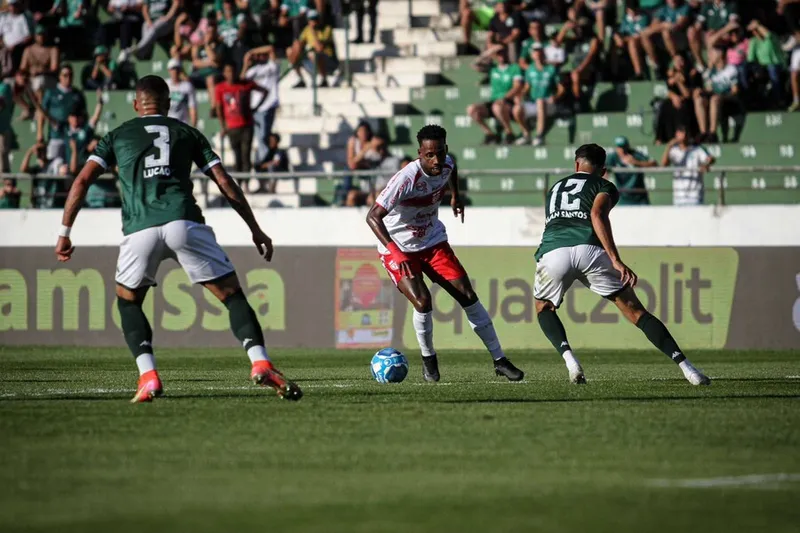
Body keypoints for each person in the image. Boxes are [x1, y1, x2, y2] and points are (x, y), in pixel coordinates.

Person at [53, 75, 301, 403]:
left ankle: (149, 375)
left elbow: (82, 180)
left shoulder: (116, 135)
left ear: (135, 105)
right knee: (232, 297)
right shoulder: (187, 132)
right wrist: (254, 228)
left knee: (128, 301)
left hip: (139, 228)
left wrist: (65, 232)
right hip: (185, 222)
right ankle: (261, 363)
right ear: (169, 104)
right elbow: (224, 181)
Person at [533, 143, 710, 386]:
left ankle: (570, 361)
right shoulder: (604, 185)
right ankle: (689, 369)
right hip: (591, 250)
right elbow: (597, 214)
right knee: (636, 311)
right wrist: (615, 259)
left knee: (543, 307)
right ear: (603, 170)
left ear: (576, 164)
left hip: (554, 252)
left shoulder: (554, 188)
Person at [365, 124, 524, 383]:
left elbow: (452, 170)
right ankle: (429, 360)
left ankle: (500, 360)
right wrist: (396, 252)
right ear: (420, 154)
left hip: (433, 241)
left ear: (445, 150)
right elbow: (373, 217)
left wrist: (455, 197)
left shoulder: (447, 164)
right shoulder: (406, 179)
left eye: (439, 153)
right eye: (429, 155)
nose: (436, 159)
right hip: (399, 248)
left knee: (469, 296)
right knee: (423, 301)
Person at [214, 62, 268, 175]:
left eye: (233, 71)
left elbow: (265, 91)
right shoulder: (220, 88)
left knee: (246, 155)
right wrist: (223, 126)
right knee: (237, 156)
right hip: (232, 127)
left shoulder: (246, 84)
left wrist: (255, 108)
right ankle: (239, 182)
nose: (231, 74)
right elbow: (219, 108)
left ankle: (246, 183)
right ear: (224, 73)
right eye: (228, 71)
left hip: (247, 125)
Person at [466, 47, 522, 145]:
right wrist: (489, 52)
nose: (501, 56)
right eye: (499, 54)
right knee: (472, 109)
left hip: (508, 101)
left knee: (497, 107)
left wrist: (505, 98)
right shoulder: (493, 69)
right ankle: (490, 134)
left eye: (503, 53)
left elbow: (517, 86)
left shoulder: (514, 68)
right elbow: (474, 65)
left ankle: (509, 133)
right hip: (494, 100)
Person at [513, 42, 564, 146]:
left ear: (543, 53)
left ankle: (539, 135)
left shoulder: (551, 69)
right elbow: (527, 87)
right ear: (531, 55)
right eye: (535, 52)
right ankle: (526, 134)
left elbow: (561, 88)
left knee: (540, 101)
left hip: (549, 104)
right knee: (516, 109)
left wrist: (555, 97)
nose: (537, 54)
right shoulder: (530, 69)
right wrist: (520, 95)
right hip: (533, 103)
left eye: (539, 51)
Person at [37, 64, 87, 157]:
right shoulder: (51, 93)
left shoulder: (77, 94)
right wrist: (40, 133)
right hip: (56, 135)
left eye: (70, 75)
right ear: (59, 76)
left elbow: (84, 115)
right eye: (65, 75)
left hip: (73, 137)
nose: (68, 78)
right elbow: (42, 113)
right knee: (55, 163)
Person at [242, 45, 280, 162]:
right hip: (256, 107)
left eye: (263, 54)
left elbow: (271, 48)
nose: (261, 56)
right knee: (261, 137)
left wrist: (251, 51)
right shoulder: (253, 70)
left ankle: (265, 161)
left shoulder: (272, 67)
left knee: (264, 135)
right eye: (259, 55)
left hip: (269, 104)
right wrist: (245, 64)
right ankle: (264, 162)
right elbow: (241, 80)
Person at [660, 125, 714, 205]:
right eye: (681, 132)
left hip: (695, 195)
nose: (684, 135)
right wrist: (669, 146)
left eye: (685, 132)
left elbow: (710, 159)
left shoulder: (697, 149)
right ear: (676, 134)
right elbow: (663, 165)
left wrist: (706, 164)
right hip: (679, 196)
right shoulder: (673, 150)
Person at [288, 9, 338, 88]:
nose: (314, 21)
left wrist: (313, 32)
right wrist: (295, 50)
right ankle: (301, 79)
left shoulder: (327, 29)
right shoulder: (306, 29)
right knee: (290, 51)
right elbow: (300, 44)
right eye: (311, 19)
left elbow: (319, 48)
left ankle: (324, 80)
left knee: (313, 54)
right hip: (312, 60)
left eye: (315, 19)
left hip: (328, 61)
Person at [640, 0, 691, 75]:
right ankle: (655, 64)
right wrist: (663, 25)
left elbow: (678, 25)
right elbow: (652, 26)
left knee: (665, 32)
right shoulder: (663, 9)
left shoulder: (684, 7)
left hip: (681, 38)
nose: (672, 0)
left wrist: (663, 26)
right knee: (644, 35)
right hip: (664, 40)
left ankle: (675, 56)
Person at [20, 25, 59, 117]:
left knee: (40, 81)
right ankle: (27, 108)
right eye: (39, 35)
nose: (41, 37)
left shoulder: (52, 49)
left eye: (43, 34)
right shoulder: (28, 50)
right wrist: (23, 76)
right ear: (35, 36)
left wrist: (41, 71)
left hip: (48, 79)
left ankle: (40, 110)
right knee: (12, 84)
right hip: (30, 79)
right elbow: (22, 68)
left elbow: (54, 68)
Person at [605, 136, 657, 205]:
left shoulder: (636, 155)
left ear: (628, 146)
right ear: (616, 148)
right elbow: (603, 169)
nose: (622, 150)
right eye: (619, 147)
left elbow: (654, 163)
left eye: (624, 147)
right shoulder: (613, 157)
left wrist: (636, 163)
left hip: (640, 197)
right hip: (623, 198)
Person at [610, 0, 649, 80]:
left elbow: (640, 35)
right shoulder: (626, 19)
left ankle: (639, 73)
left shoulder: (644, 18)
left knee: (632, 43)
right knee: (615, 45)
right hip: (626, 44)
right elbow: (621, 32)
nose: (633, 11)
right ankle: (613, 73)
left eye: (635, 9)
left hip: (640, 44)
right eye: (631, 9)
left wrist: (625, 39)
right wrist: (617, 37)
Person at [166, 58, 197, 126]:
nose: (175, 71)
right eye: (173, 69)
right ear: (169, 70)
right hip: (167, 125)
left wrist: (193, 127)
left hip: (182, 125)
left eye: (177, 69)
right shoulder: (164, 85)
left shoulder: (187, 86)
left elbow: (192, 107)